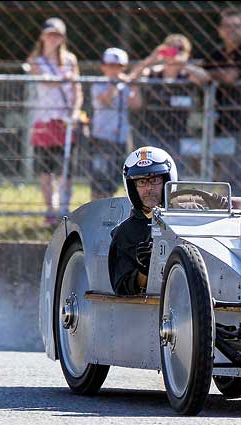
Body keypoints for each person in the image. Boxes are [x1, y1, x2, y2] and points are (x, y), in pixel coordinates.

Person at [27, 17, 83, 225]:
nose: (53, 38)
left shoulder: (70, 59)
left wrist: (76, 111)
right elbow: (46, 83)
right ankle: (50, 209)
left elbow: (77, 88)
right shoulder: (36, 60)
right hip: (44, 118)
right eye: (50, 34)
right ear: (43, 36)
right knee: (45, 168)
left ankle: (65, 209)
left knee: (65, 168)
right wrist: (64, 78)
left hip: (65, 120)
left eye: (57, 35)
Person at [203, 7, 241, 196]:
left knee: (237, 169)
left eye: (236, 26)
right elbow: (200, 74)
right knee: (217, 166)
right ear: (219, 30)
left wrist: (209, 75)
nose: (232, 30)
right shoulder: (216, 54)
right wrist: (209, 74)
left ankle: (239, 203)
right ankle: (216, 202)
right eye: (227, 26)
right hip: (219, 121)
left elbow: (230, 77)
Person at [128, 34, 210, 163]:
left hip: (177, 134)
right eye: (171, 48)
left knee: (174, 172)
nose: (175, 52)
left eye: (180, 49)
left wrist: (183, 63)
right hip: (150, 132)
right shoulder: (154, 72)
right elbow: (132, 77)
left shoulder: (187, 75)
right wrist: (151, 59)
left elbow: (205, 79)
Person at [109, 147, 178, 296]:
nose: (148, 188)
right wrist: (145, 270)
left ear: (167, 181)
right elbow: (122, 289)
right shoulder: (124, 233)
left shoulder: (188, 219)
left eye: (154, 180)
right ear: (132, 187)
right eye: (141, 182)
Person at [90, 47, 142, 200]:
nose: (114, 70)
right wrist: (115, 82)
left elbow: (136, 104)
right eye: (111, 66)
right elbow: (107, 100)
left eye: (118, 67)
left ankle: (109, 205)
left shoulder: (125, 85)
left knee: (114, 176)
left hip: (121, 137)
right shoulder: (98, 85)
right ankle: (96, 204)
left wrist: (133, 84)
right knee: (100, 175)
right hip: (102, 136)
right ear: (103, 67)